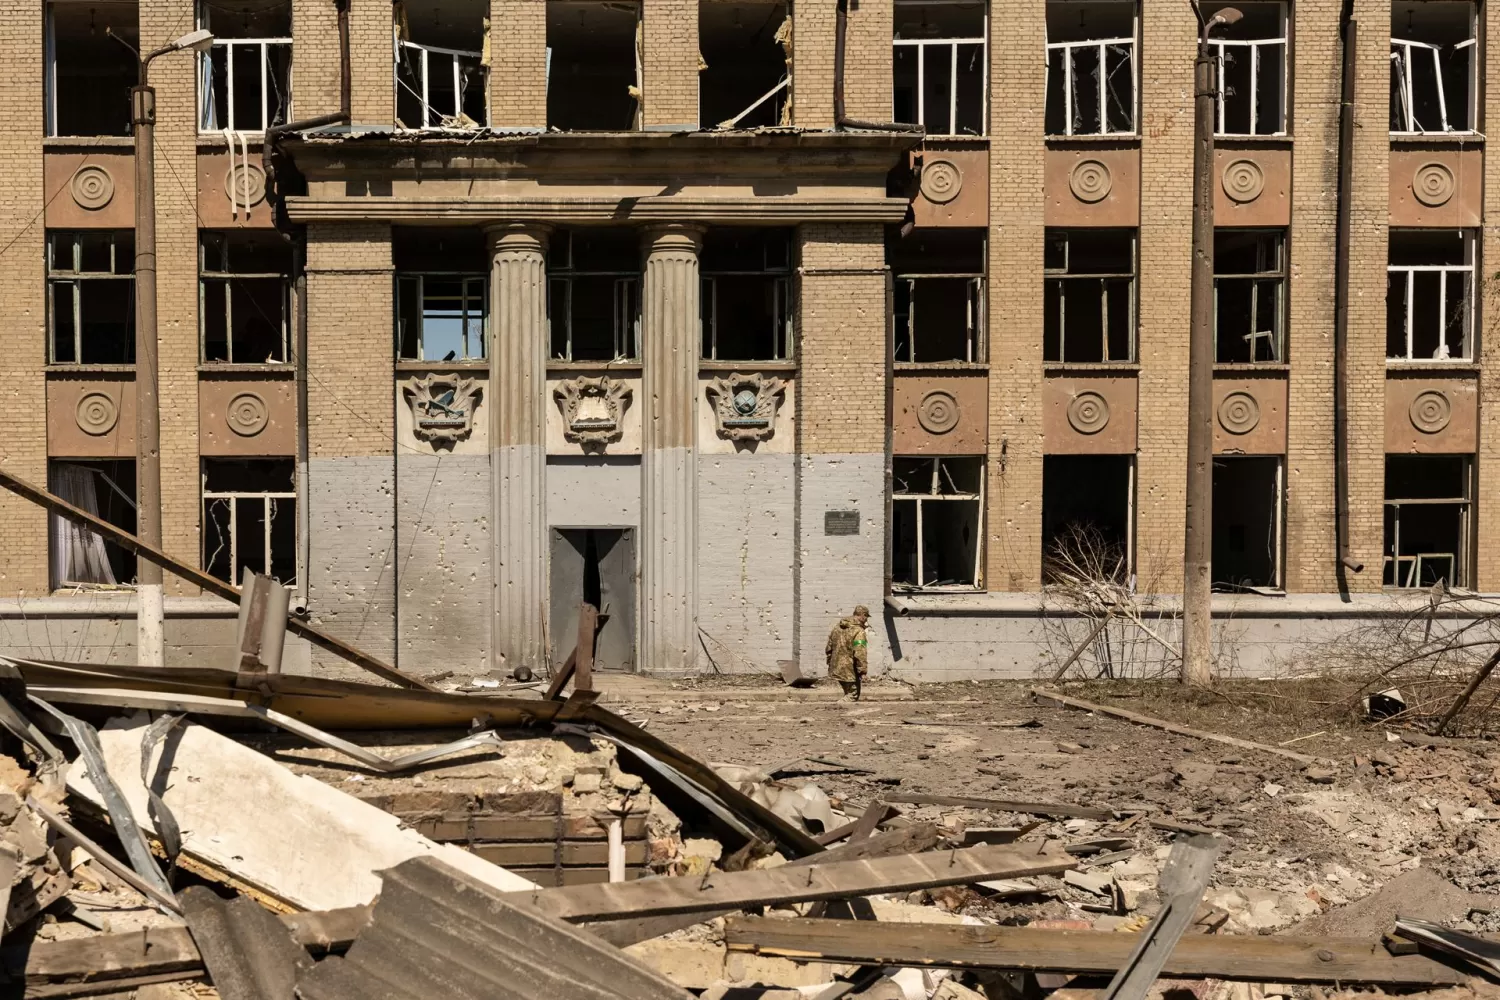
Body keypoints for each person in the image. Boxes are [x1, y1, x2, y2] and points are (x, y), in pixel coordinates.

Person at [825, 605, 870, 700]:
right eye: (866, 617)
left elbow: (829, 646)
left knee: (848, 692)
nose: (866, 620)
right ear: (862, 615)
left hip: (836, 666)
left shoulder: (837, 627)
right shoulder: (859, 631)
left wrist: (830, 661)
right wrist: (862, 671)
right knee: (852, 695)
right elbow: (860, 652)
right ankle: (838, 712)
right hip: (850, 669)